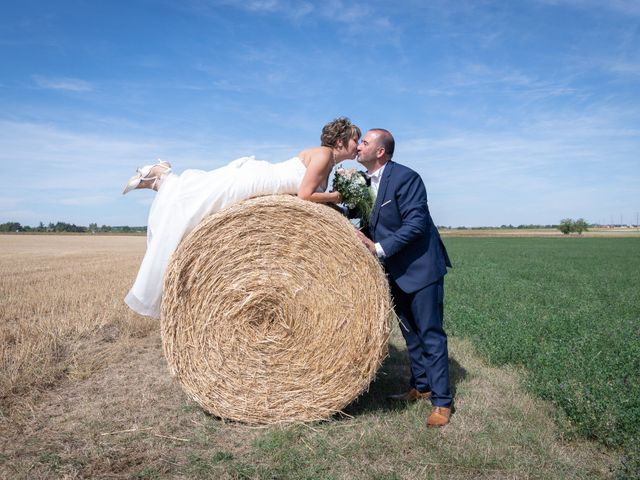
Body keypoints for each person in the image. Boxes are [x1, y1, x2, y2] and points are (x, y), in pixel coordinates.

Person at [123, 117, 361, 318]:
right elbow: (305, 195)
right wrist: (337, 196)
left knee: (203, 199)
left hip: (267, 183)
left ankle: (161, 178)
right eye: (355, 140)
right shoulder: (323, 156)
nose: (358, 145)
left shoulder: (327, 160)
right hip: (261, 181)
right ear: (340, 141)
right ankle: (163, 176)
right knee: (202, 202)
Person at [354, 128, 453, 427]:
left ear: (380, 151)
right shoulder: (363, 183)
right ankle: (420, 387)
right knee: (410, 333)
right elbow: (371, 223)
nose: (359, 146)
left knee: (431, 334)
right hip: (393, 270)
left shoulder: (406, 177)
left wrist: (379, 248)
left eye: (365, 142)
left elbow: (416, 224)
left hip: (420, 268)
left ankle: (442, 402)